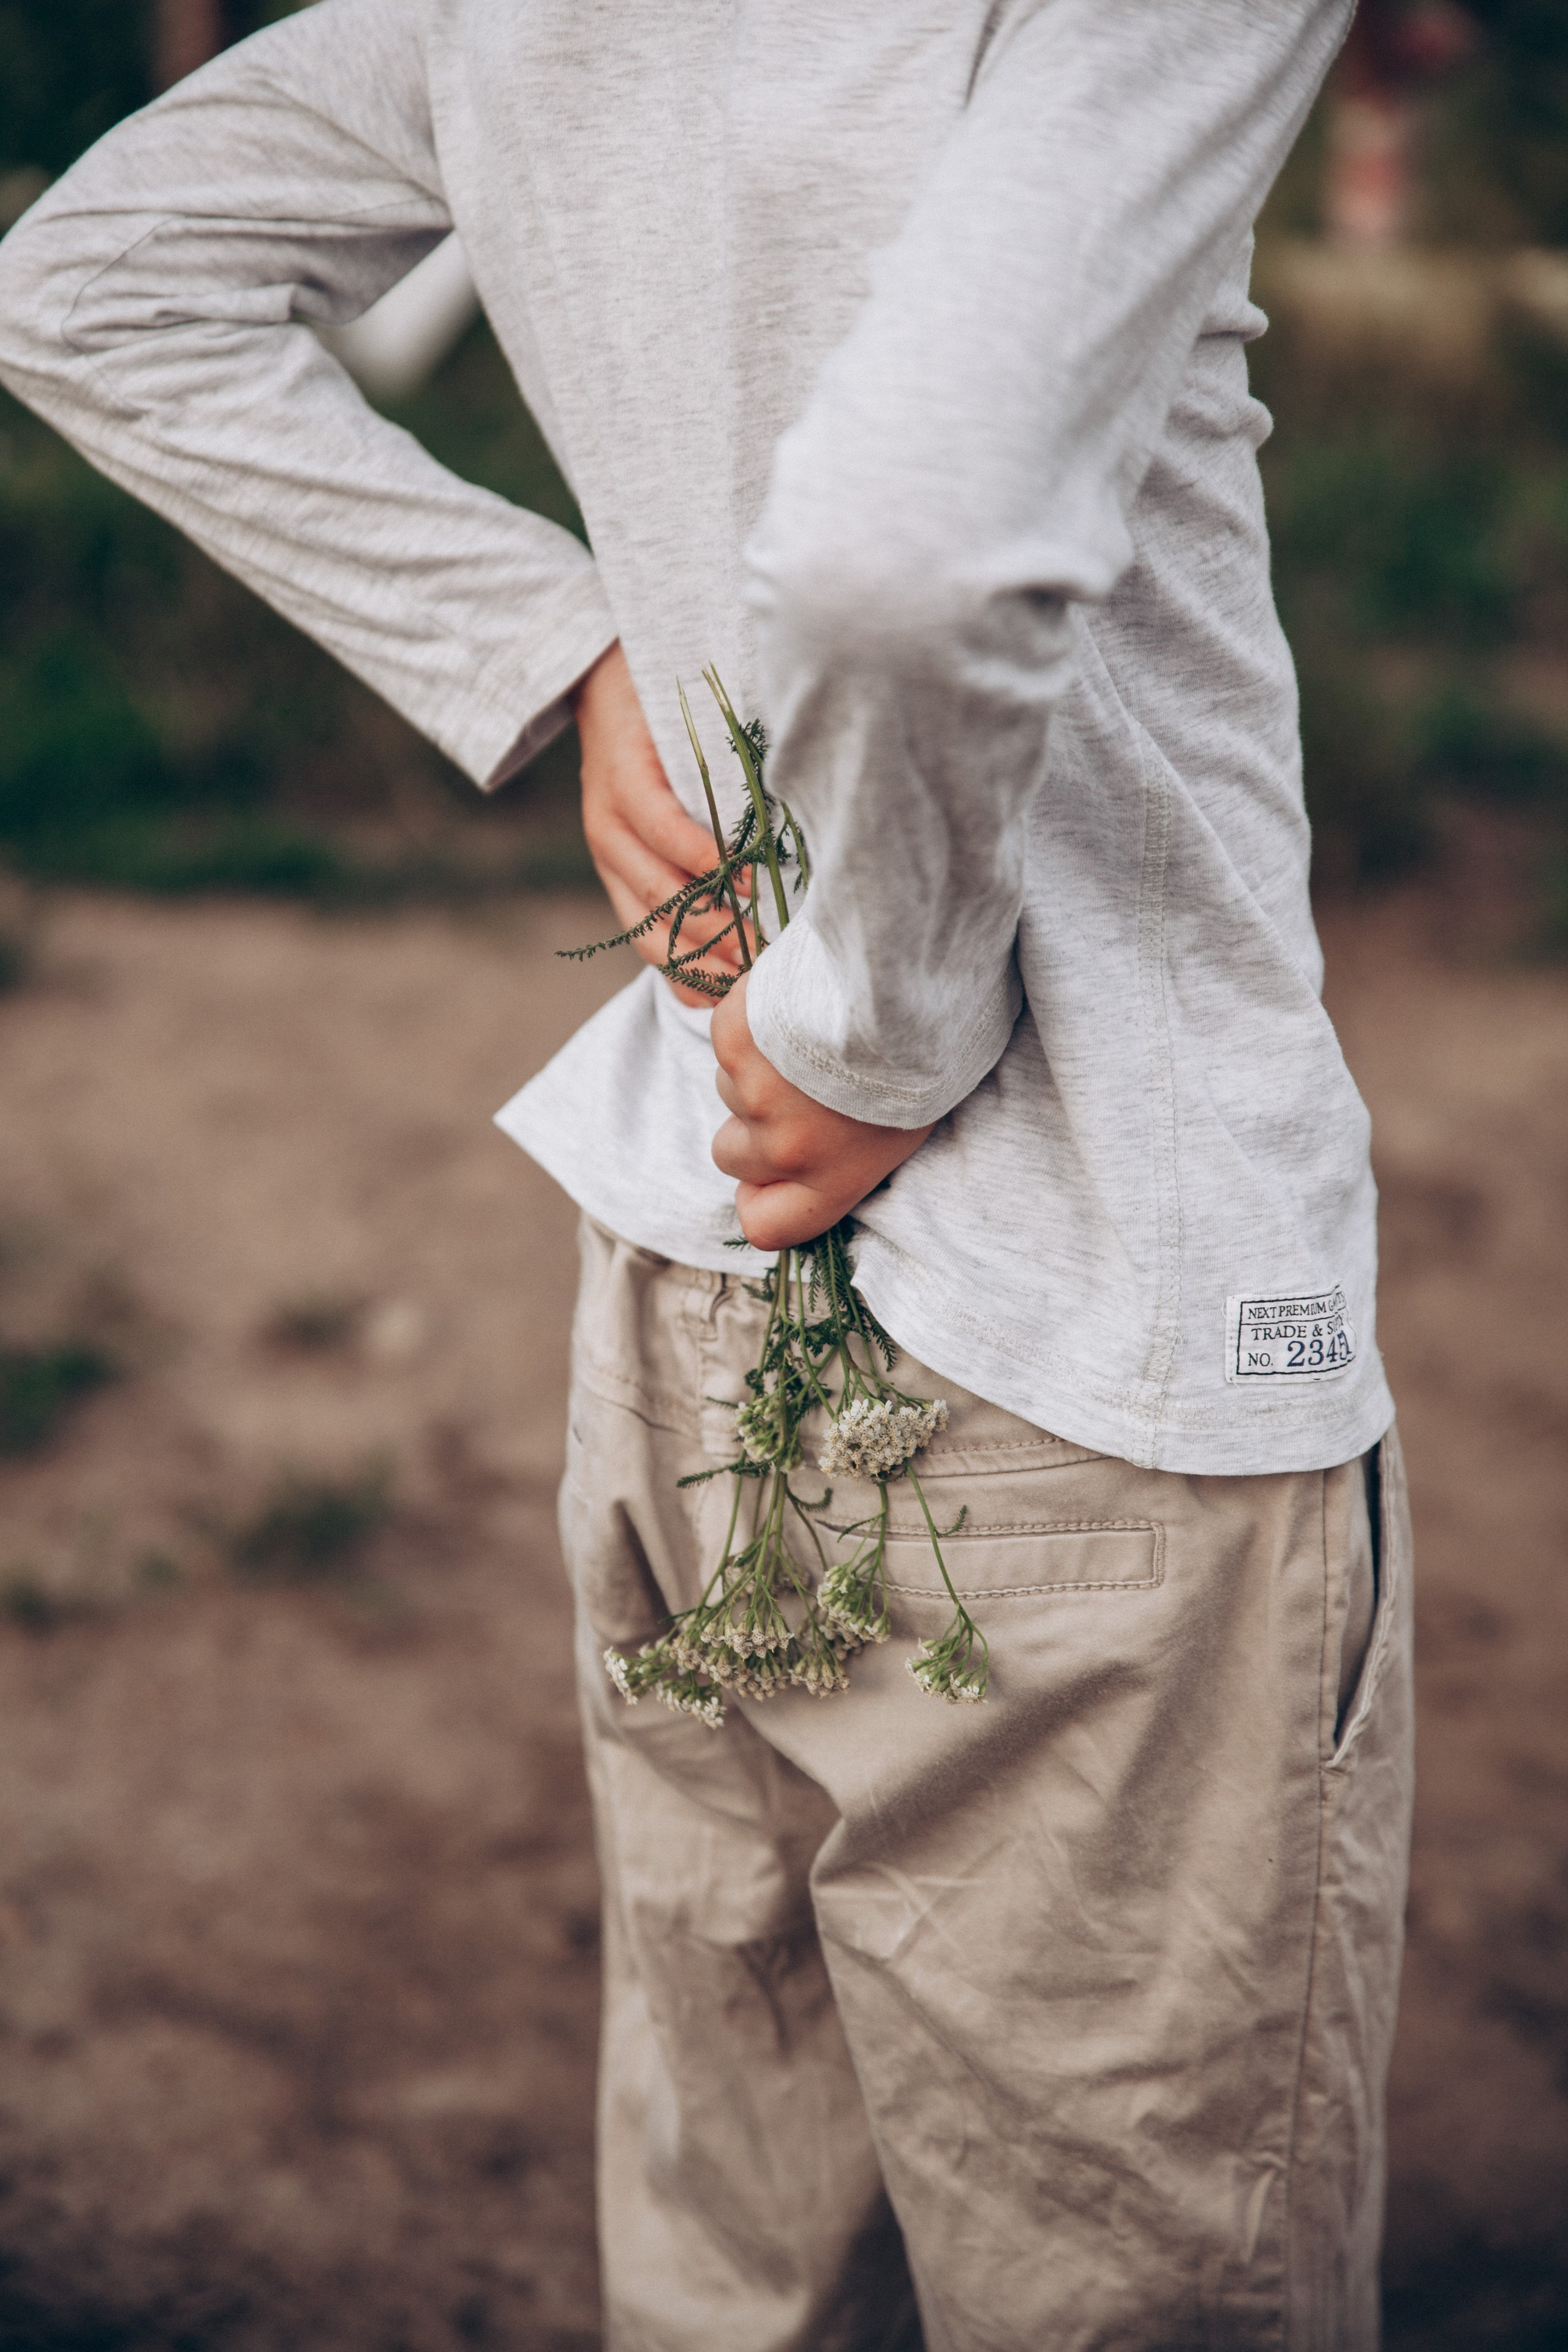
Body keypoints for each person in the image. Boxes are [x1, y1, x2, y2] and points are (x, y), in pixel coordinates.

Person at [0, 3, 1414, 2344]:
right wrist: (882, 1018)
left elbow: (87, 279)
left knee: (748, 2266)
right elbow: (913, 547)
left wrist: (558, 650)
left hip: (683, 1267)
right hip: (1101, 1331)